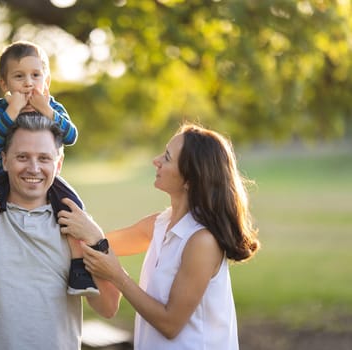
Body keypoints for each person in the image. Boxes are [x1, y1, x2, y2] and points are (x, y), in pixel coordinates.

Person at [58, 122, 260, 350]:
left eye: (167, 157)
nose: (156, 160)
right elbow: (99, 243)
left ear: (190, 179)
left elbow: (170, 323)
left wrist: (117, 275)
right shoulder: (160, 224)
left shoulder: (202, 241)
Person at [0, 114, 120, 350]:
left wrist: (97, 238)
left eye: (44, 158)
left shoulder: (77, 224)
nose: (33, 168)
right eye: (22, 157)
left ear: (58, 164)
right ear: (5, 160)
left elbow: (108, 308)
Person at [0, 40, 98, 296]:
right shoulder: (1, 109)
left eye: (35, 75)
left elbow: (72, 135)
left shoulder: (53, 107)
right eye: (19, 77)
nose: (29, 83)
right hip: (5, 180)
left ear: (47, 81)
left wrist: (48, 112)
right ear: (4, 84)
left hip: (45, 183)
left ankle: (79, 269)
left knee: (73, 207)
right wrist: (13, 110)